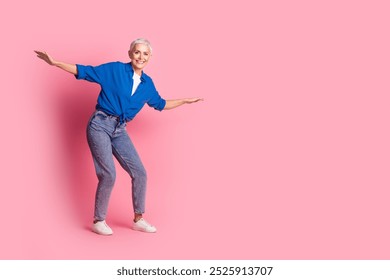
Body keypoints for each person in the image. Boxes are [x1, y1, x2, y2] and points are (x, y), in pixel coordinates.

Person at [35, 38, 203, 236]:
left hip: (120, 130)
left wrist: (184, 101)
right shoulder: (115, 70)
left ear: (150, 57)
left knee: (140, 172)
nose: (141, 57)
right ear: (130, 53)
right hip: (99, 125)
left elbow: (161, 103)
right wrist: (55, 63)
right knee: (109, 174)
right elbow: (85, 71)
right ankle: (99, 220)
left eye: (145, 54)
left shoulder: (147, 85)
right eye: (137, 52)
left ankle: (138, 219)